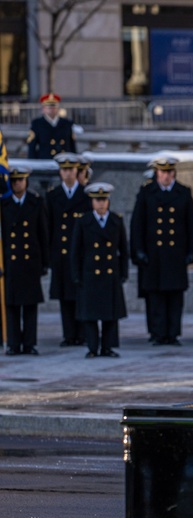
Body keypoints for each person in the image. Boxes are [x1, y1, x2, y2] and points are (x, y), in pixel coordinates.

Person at [129, 155, 193, 346]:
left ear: (174, 173)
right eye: (162, 172)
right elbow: (138, 224)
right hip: (153, 254)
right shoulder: (146, 193)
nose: (166, 176)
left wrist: (192, 249)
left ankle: (173, 333)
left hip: (176, 254)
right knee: (155, 296)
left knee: (175, 296)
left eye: (169, 172)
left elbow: (190, 223)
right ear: (156, 173)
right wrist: (138, 250)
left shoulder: (183, 192)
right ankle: (157, 333)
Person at [70, 183, 128, 359]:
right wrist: (77, 275)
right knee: (91, 315)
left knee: (110, 315)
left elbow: (123, 250)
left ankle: (108, 347)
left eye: (104, 200)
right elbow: (76, 251)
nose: (101, 204)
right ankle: (93, 347)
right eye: (98, 200)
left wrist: (123, 273)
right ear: (92, 202)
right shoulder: (83, 221)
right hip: (90, 274)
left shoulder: (116, 221)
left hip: (110, 275)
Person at [1, 167, 49, 356]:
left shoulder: (35, 202)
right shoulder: (3, 206)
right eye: (14, 181)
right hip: (10, 262)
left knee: (30, 306)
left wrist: (45, 262)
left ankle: (29, 343)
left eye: (20, 180)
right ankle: (13, 343)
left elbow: (42, 233)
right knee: (11, 305)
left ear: (26, 182)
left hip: (31, 262)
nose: (17, 184)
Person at [46, 152, 90, 347]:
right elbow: (48, 227)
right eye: (64, 170)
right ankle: (68, 334)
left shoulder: (86, 195)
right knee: (65, 297)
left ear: (76, 171)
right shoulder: (53, 196)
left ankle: (82, 333)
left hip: (80, 254)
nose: (68, 173)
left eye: (71, 170)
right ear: (60, 172)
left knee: (80, 295)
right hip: (61, 254)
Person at [27, 93, 76, 159]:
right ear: (43, 109)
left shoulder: (67, 123)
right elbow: (32, 146)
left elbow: (72, 144)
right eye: (49, 107)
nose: (51, 109)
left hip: (64, 161)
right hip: (45, 160)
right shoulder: (37, 123)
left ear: (58, 108)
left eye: (54, 106)